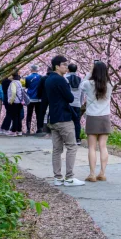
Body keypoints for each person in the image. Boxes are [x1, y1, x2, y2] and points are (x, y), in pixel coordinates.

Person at [45, 55, 84, 186]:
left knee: (57, 149)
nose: (66, 67)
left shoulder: (48, 79)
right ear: (57, 66)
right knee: (72, 147)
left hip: (53, 117)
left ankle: (57, 177)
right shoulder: (61, 80)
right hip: (64, 118)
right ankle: (69, 177)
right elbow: (70, 98)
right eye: (64, 65)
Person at [81, 60, 112, 181]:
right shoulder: (110, 84)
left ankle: (92, 174)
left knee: (92, 147)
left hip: (92, 117)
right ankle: (102, 173)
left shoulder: (89, 84)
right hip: (105, 117)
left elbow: (80, 86)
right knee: (103, 146)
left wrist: (89, 73)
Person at [66, 63, 84, 142]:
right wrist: (80, 102)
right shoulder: (81, 79)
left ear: (68, 69)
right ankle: (77, 138)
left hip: (68, 103)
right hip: (77, 104)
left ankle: (68, 139)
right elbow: (82, 93)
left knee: (67, 121)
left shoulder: (65, 78)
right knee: (77, 121)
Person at [5, 71, 25, 136]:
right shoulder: (19, 82)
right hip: (20, 102)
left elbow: (13, 92)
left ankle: (13, 131)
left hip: (14, 102)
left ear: (12, 76)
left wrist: (11, 100)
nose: (8, 76)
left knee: (14, 117)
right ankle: (19, 131)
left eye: (10, 75)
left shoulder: (13, 83)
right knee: (19, 117)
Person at [25, 65, 43, 135]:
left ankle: (28, 129)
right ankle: (39, 128)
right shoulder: (40, 77)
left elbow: (26, 86)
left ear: (31, 69)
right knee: (38, 114)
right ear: (37, 70)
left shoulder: (27, 78)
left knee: (29, 114)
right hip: (38, 98)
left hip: (30, 98)